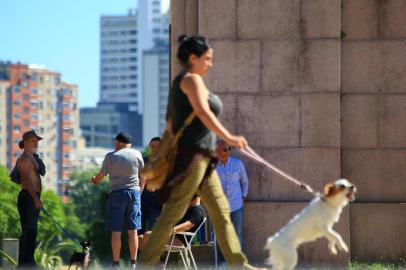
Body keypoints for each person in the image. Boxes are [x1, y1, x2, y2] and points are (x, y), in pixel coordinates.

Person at [139, 35, 261, 270]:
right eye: (207, 59)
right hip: (191, 160)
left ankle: (239, 264)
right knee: (172, 214)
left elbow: (171, 124)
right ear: (193, 58)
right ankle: (144, 265)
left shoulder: (185, 83)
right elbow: (204, 114)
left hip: (204, 160)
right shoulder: (190, 80)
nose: (210, 64)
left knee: (221, 212)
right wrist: (230, 137)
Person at [90, 131, 145, 270]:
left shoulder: (111, 156)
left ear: (119, 142)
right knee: (133, 230)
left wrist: (94, 181)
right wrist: (139, 191)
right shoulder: (138, 154)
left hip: (116, 194)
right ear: (130, 144)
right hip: (134, 193)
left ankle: (115, 265)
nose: (115, 144)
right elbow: (144, 176)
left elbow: (101, 176)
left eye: (116, 142)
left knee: (116, 231)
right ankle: (133, 264)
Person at [216, 140, 249, 264]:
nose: (227, 152)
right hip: (220, 208)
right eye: (224, 149)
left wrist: (243, 196)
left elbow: (244, 182)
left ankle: (237, 263)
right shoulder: (213, 167)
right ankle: (222, 263)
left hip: (236, 205)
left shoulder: (237, 164)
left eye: (229, 149)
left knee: (237, 234)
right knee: (221, 235)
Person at [15, 130, 45, 268]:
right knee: (29, 230)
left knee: (32, 231)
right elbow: (26, 181)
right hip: (28, 197)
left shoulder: (34, 158)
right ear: (25, 142)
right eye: (33, 140)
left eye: (36, 141)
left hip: (33, 197)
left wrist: (37, 198)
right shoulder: (23, 160)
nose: (35, 143)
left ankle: (28, 262)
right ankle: (25, 264)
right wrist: (35, 199)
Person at [138, 195, 205, 251]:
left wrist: (171, 230)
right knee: (140, 238)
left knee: (147, 235)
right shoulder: (190, 209)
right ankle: (151, 264)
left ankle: (154, 264)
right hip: (172, 237)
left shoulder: (197, 211)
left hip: (178, 241)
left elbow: (188, 225)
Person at [140, 137, 163, 234]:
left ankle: (151, 249)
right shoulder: (143, 160)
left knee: (152, 231)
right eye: (153, 146)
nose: (155, 148)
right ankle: (139, 249)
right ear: (150, 147)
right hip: (143, 200)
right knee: (138, 230)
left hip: (157, 202)